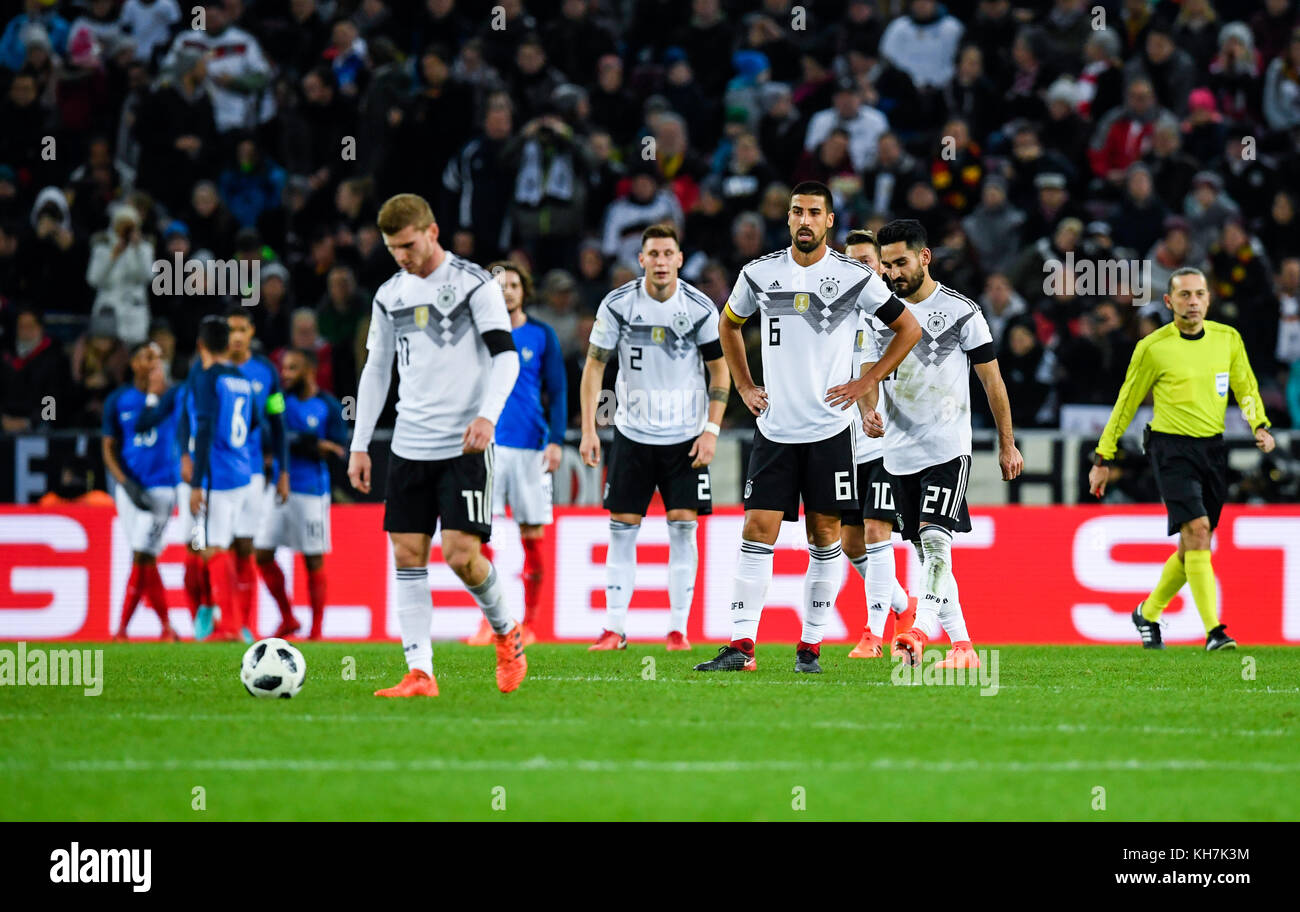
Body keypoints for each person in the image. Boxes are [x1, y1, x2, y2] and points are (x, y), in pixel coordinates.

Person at [694, 182, 921, 673]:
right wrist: (744, 385)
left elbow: (909, 328)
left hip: (829, 432)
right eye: (797, 211)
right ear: (788, 217)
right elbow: (727, 325)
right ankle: (741, 646)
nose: (804, 220)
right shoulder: (759, 274)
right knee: (758, 530)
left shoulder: (854, 278)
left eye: (814, 213)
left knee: (824, 537)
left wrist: (868, 381)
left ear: (829, 221)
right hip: (774, 430)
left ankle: (809, 648)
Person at [348, 193, 524, 698]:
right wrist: (361, 443)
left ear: (432, 231)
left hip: (464, 444)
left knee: (461, 555)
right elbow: (376, 371)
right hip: (409, 443)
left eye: (407, 244)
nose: (401, 256)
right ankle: (420, 672)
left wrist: (488, 415)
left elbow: (506, 358)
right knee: (407, 554)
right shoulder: (389, 296)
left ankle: (506, 630)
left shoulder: (475, 285)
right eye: (391, 248)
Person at [1089, 267, 1274, 652]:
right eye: (1185, 295)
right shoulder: (1154, 347)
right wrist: (1103, 454)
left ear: (1209, 299)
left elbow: (1246, 386)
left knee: (1193, 543)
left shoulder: (1228, 339)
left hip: (1213, 449)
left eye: (1199, 294)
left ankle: (1148, 611)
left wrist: (1259, 424)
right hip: (1170, 449)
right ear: (1170, 302)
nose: (1193, 302)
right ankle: (1214, 631)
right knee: (1199, 530)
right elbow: (1126, 402)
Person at [868, 219, 1023, 669]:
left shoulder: (961, 312)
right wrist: (867, 410)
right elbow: (867, 370)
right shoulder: (878, 313)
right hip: (897, 452)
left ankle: (917, 631)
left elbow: (993, 383)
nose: (893, 273)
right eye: (886, 264)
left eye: (900, 262)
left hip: (947, 447)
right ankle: (962, 647)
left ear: (924, 257)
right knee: (922, 550)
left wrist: (1006, 444)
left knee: (936, 540)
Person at [579, 223, 731, 651]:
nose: (661, 262)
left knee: (683, 528)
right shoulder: (619, 305)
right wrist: (590, 428)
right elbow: (595, 366)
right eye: (653, 254)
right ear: (641, 259)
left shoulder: (699, 307)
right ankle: (614, 629)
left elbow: (720, 371)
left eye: (668, 254)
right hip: (632, 433)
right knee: (622, 528)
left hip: (686, 438)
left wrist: (711, 429)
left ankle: (678, 630)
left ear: (680, 260)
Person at [138, 315, 260, 642]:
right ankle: (226, 620)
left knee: (211, 549)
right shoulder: (241, 378)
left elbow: (204, 427)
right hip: (242, 473)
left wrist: (196, 483)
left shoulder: (206, 378)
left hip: (215, 476)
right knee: (216, 546)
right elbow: (255, 421)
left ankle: (231, 626)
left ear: (201, 345)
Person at [465, 261, 565, 647]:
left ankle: (532, 623)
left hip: (529, 449)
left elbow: (557, 392)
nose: (505, 290)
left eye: (512, 284)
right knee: (478, 536)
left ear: (525, 290)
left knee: (532, 535)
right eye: (498, 285)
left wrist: (555, 439)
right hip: (485, 446)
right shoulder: (477, 333)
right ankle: (489, 622)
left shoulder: (542, 335)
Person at [838, 229, 916, 659]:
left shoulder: (894, 316)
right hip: (840, 445)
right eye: (851, 262)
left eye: (867, 261)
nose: (860, 268)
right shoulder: (831, 315)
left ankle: (872, 631)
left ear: (882, 267)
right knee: (850, 543)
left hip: (884, 443)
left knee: (875, 531)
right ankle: (903, 606)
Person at [254, 348, 349, 640]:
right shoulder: (280, 400)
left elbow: (338, 449)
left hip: (311, 491)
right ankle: (288, 617)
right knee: (262, 553)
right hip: (279, 488)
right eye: (284, 368)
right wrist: (309, 443)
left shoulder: (329, 406)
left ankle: (317, 629)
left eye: (292, 368)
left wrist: (304, 444)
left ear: (309, 370)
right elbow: (268, 435)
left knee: (312, 559)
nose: (285, 374)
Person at [102, 341, 181, 641]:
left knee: (141, 554)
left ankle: (124, 629)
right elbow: (108, 447)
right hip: (130, 489)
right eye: (148, 357)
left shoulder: (173, 396)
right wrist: (124, 482)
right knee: (145, 556)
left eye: (159, 358)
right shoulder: (118, 399)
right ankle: (164, 628)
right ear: (134, 363)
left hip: (162, 487)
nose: (154, 363)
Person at [226, 305, 289, 642]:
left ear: (251, 333)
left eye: (241, 330)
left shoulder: (266, 372)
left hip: (252, 472)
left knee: (246, 546)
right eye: (230, 330)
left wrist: (283, 471)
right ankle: (221, 619)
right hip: (215, 473)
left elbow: (277, 422)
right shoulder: (210, 369)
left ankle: (244, 622)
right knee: (216, 548)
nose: (236, 336)